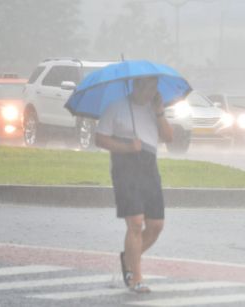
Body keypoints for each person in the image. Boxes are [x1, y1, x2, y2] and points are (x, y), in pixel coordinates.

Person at [95, 76, 173, 293]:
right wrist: (127, 147)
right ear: (136, 85)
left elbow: (169, 137)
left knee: (156, 225)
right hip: (125, 169)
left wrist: (159, 112)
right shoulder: (116, 108)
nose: (153, 92)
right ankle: (136, 279)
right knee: (136, 223)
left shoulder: (154, 108)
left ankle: (129, 258)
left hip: (149, 168)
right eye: (149, 87)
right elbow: (100, 139)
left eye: (155, 87)